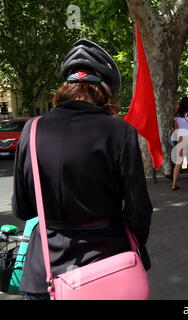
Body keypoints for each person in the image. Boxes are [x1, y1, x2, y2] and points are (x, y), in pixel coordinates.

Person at [12, 39, 153, 300]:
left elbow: (23, 209)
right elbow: (138, 210)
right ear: (106, 91)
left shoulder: (32, 129)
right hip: (107, 266)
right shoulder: (120, 132)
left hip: (46, 273)